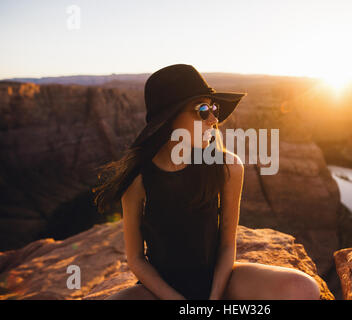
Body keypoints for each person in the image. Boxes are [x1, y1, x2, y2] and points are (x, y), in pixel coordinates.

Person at [93, 64, 320, 300]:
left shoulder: (227, 167)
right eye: (202, 109)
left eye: (214, 108)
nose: (213, 119)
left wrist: (213, 298)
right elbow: (136, 259)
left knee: (302, 288)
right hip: (161, 291)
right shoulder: (139, 178)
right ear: (170, 118)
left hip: (219, 281)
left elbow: (226, 245)